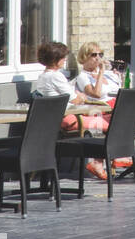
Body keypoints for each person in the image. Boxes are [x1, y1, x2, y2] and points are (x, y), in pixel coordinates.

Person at [75, 42, 135, 176]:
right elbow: (96, 94)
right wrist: (101, 73)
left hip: (121, 106)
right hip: (105, 109)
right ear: (84, 57)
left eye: (100, 54)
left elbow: (122, 90)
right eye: (94, 55)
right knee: (134, 113)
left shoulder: (109, 74)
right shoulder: (83, 77)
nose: (98, 58)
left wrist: (118, 76)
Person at [34, 40, 111, 181]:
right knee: (105, 124)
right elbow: (75, 99)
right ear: (56, 60)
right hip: (66, 118)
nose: (64, 60)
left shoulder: (42, 76)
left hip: (55, 118)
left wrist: (78, 96)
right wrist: (79, 96)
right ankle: (100, 161)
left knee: (99, 120)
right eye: (63, 58)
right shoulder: (56, 76)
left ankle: (98, 162)